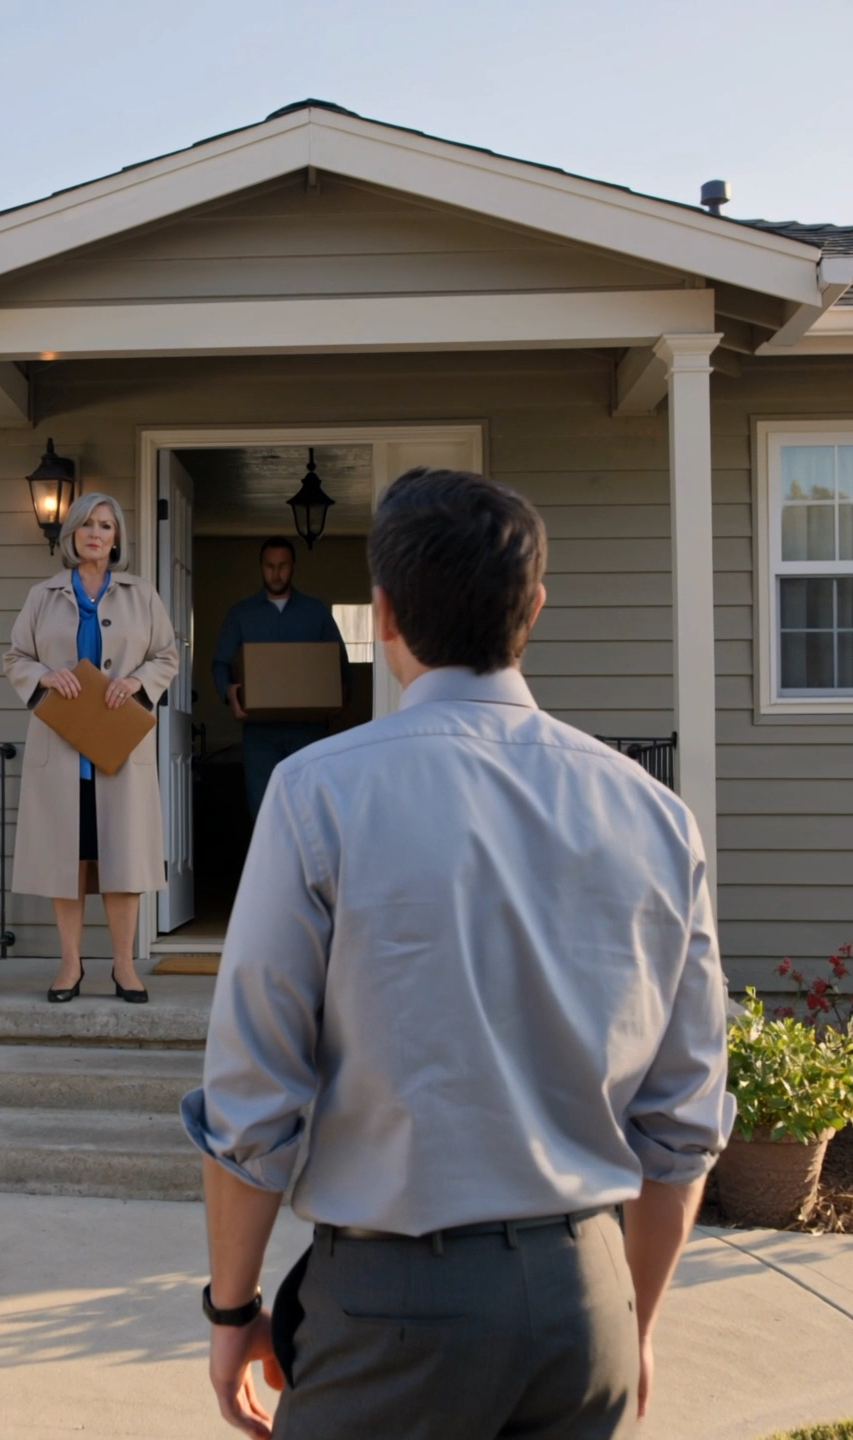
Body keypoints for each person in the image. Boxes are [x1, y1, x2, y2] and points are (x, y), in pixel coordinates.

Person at [182, 468, 732, 1440]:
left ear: (383, 614)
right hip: (589, 1298)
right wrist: (632, 1322)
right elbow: (682, 1125)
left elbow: (252, 1101)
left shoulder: (319, 796)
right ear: (536, 609)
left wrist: (232, 1312)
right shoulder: (656, 815)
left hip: (395, 1315)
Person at [4, 492, 180, 1006]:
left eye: (105, 525)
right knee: (69, 861)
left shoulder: (141, 594)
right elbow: (16, 656)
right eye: (86, 525)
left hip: (119, 749)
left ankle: (125, 967)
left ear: (117, 536)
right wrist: (45, 675)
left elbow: (166, 653)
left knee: (121, 861)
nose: (96, 533)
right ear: (72, 536)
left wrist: (139, 682)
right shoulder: (43, 595)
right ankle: (70, 965)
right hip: (60, 752)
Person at [210, 537, 349, 817]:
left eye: (283, 566)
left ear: (293, 567)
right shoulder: (241, 614)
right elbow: (220, 665)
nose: (276, 573)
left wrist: (337, 703)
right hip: (260, 733)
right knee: (264, 812)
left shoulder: (315, 612)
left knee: (309, 811)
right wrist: (230, 694)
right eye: (269, 566)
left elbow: (339, 666)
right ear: (261, 567)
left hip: (307, 731)